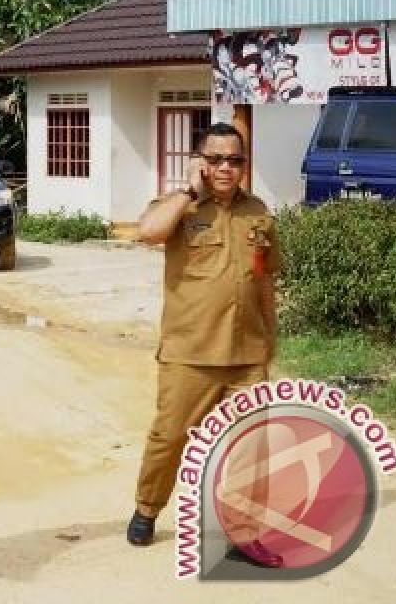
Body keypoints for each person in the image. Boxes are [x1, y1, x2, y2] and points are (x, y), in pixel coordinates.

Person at [126, 122, 282, 568]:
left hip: (247, 353)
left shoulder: (259, 212)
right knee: (169, 436)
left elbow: (265, 278)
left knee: (252, 445)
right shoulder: (179, 206)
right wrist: (189, 191)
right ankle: (147, 508)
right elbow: (149, 231)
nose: (225, 168)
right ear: (200, 161)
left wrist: (270, 337)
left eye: (234, 160)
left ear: (244, 165)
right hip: (189, 352)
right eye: (215, 159)